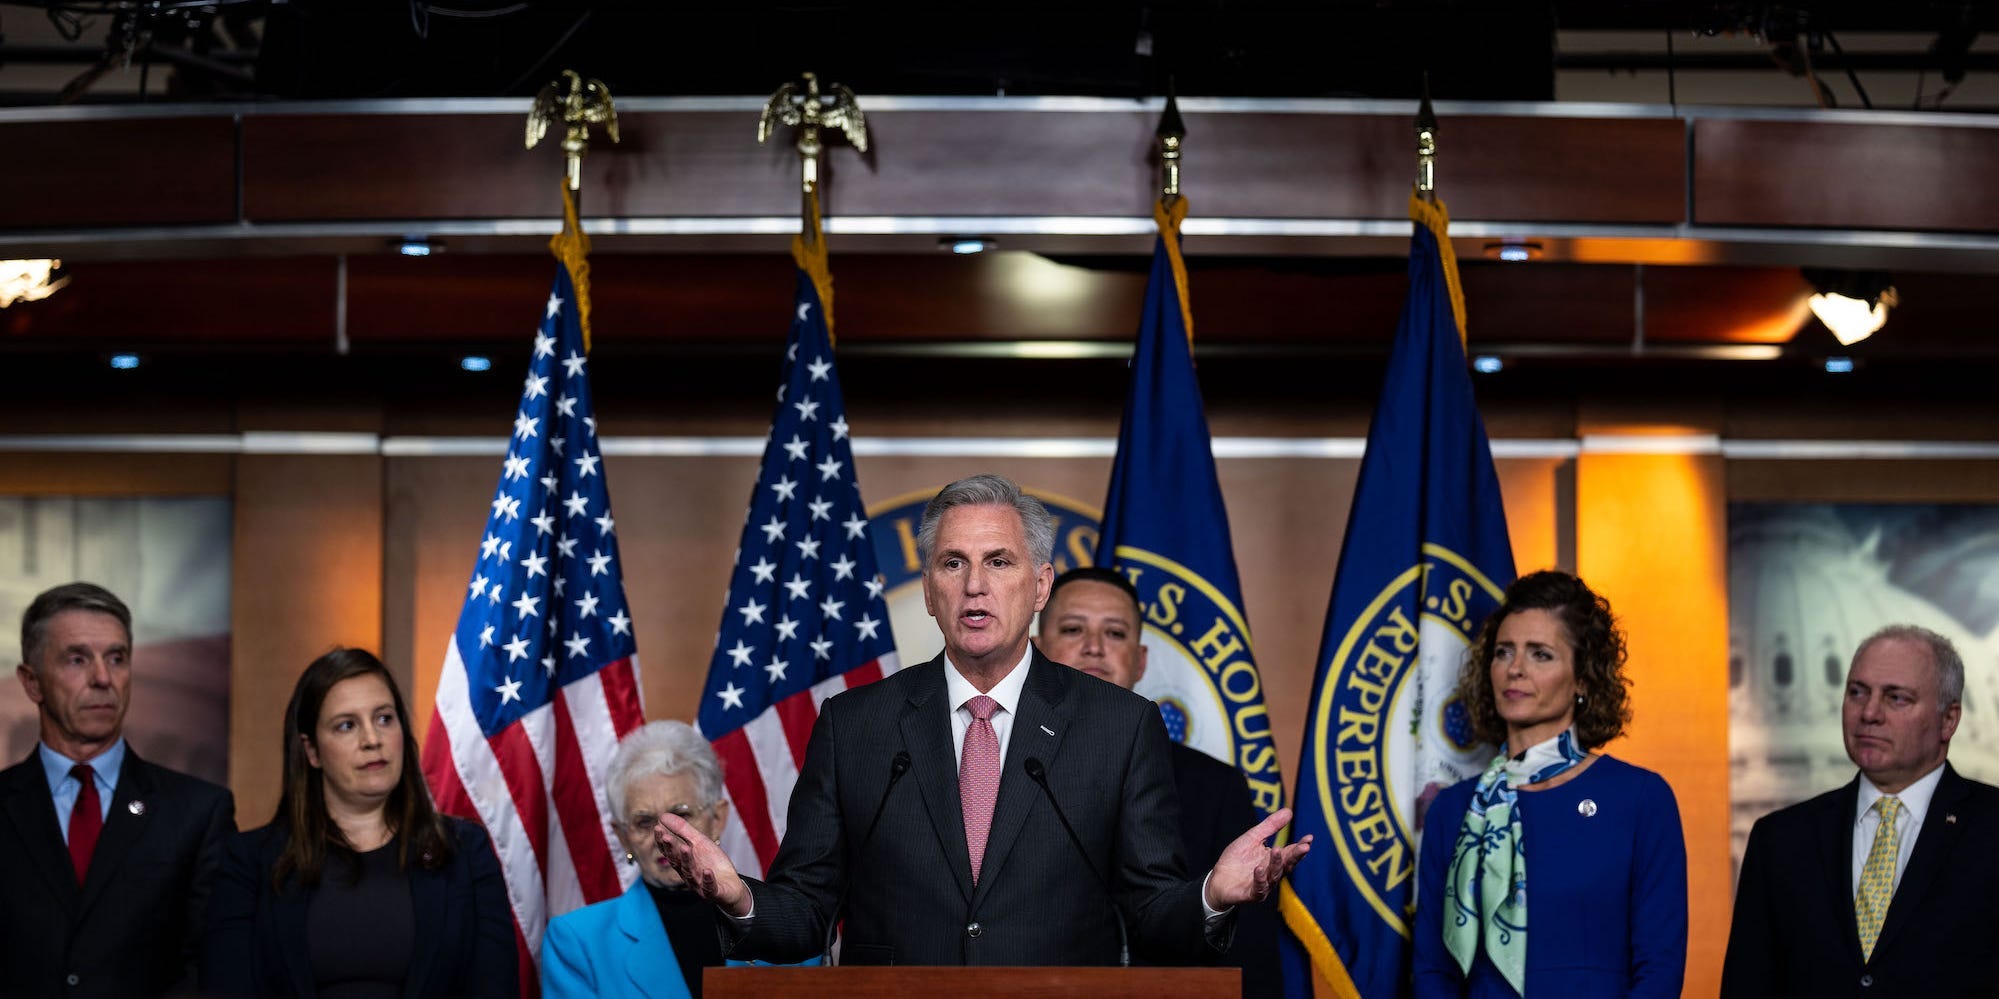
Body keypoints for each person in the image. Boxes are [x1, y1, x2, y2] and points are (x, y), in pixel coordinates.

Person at [657, 473, 1309, 966]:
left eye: (998, 561)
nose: (975, 584)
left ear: (1041, 585)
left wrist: (1212, 894)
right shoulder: (855, 724)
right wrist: (736, 894)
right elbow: (803, 913)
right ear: (931, 591)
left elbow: (1148, 913)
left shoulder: (1118, 727)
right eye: (952, 563)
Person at [1412, 570, 1686, 998]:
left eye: (1540, 654)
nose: (1515, 669)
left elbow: (1659, 969)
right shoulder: (1452, 810)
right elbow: (1433, 970)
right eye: (1504, 652)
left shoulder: (1640, 799)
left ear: (1582, 677)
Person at [199, 647, 516, 998]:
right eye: (347, 726)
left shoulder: (464, 852)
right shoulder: (249, 863)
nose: (372, 740)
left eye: (384, 719)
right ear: (312, 751)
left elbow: (494, 988)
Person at [1035, 566, 1284, 996]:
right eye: (1073, 629)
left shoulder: (1215, 787)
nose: (1094, 648)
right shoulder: (988, 762)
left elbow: (1250, 959)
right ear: (1036, 650)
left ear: (1140, 659)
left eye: (1115, 633)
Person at [1722, 624, 1999, 998]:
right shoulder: (1781, 841)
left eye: (1896, 698)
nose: (1869, 712)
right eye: (1857, 692)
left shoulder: (1990, 828)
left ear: (1948, 720)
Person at [0, 582, 236, 999]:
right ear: (32, 683)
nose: (103, 678)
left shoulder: (198, 813)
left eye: (117, 658)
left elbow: (217, 965)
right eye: (77, 659)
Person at [542, 721, 725, 999]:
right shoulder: (578, 942)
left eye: (682, 814)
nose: (664, 837)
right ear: (624, 837)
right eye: (644, 822)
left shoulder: (786, 922)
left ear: (717, 819)